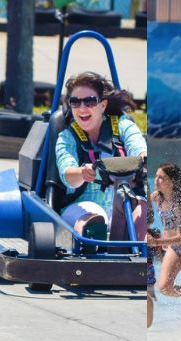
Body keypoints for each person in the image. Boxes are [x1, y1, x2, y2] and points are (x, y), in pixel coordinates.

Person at [55, 71, 147, 241]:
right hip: (80, 209)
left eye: (89, 101)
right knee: (95, 216)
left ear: (103, 105)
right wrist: (83, 173)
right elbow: (67, 173)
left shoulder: (122, 126)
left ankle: (142, 259)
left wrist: (143, 158)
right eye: (75, 102)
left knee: (140, 205)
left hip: (119, 206)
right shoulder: (67, 137)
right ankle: (91, 253)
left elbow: (137, 144)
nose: (82, 108)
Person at [148, 162, 181, 319]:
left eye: (161, 177)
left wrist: (157, 242)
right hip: (173, 245)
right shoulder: (157, 196)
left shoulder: (179, 204)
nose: (156, 180)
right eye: (156, 176)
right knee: (164, 287)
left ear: (172, 182)